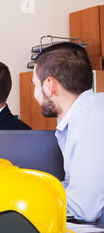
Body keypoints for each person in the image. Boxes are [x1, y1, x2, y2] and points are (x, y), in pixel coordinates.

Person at [32, 42, 104, 223]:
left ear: (49, 85)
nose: (35, 94)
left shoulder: (90, 117)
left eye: (35, 85)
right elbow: (77, 188)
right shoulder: (89, 111)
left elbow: (83, 207)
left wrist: (23, 199)